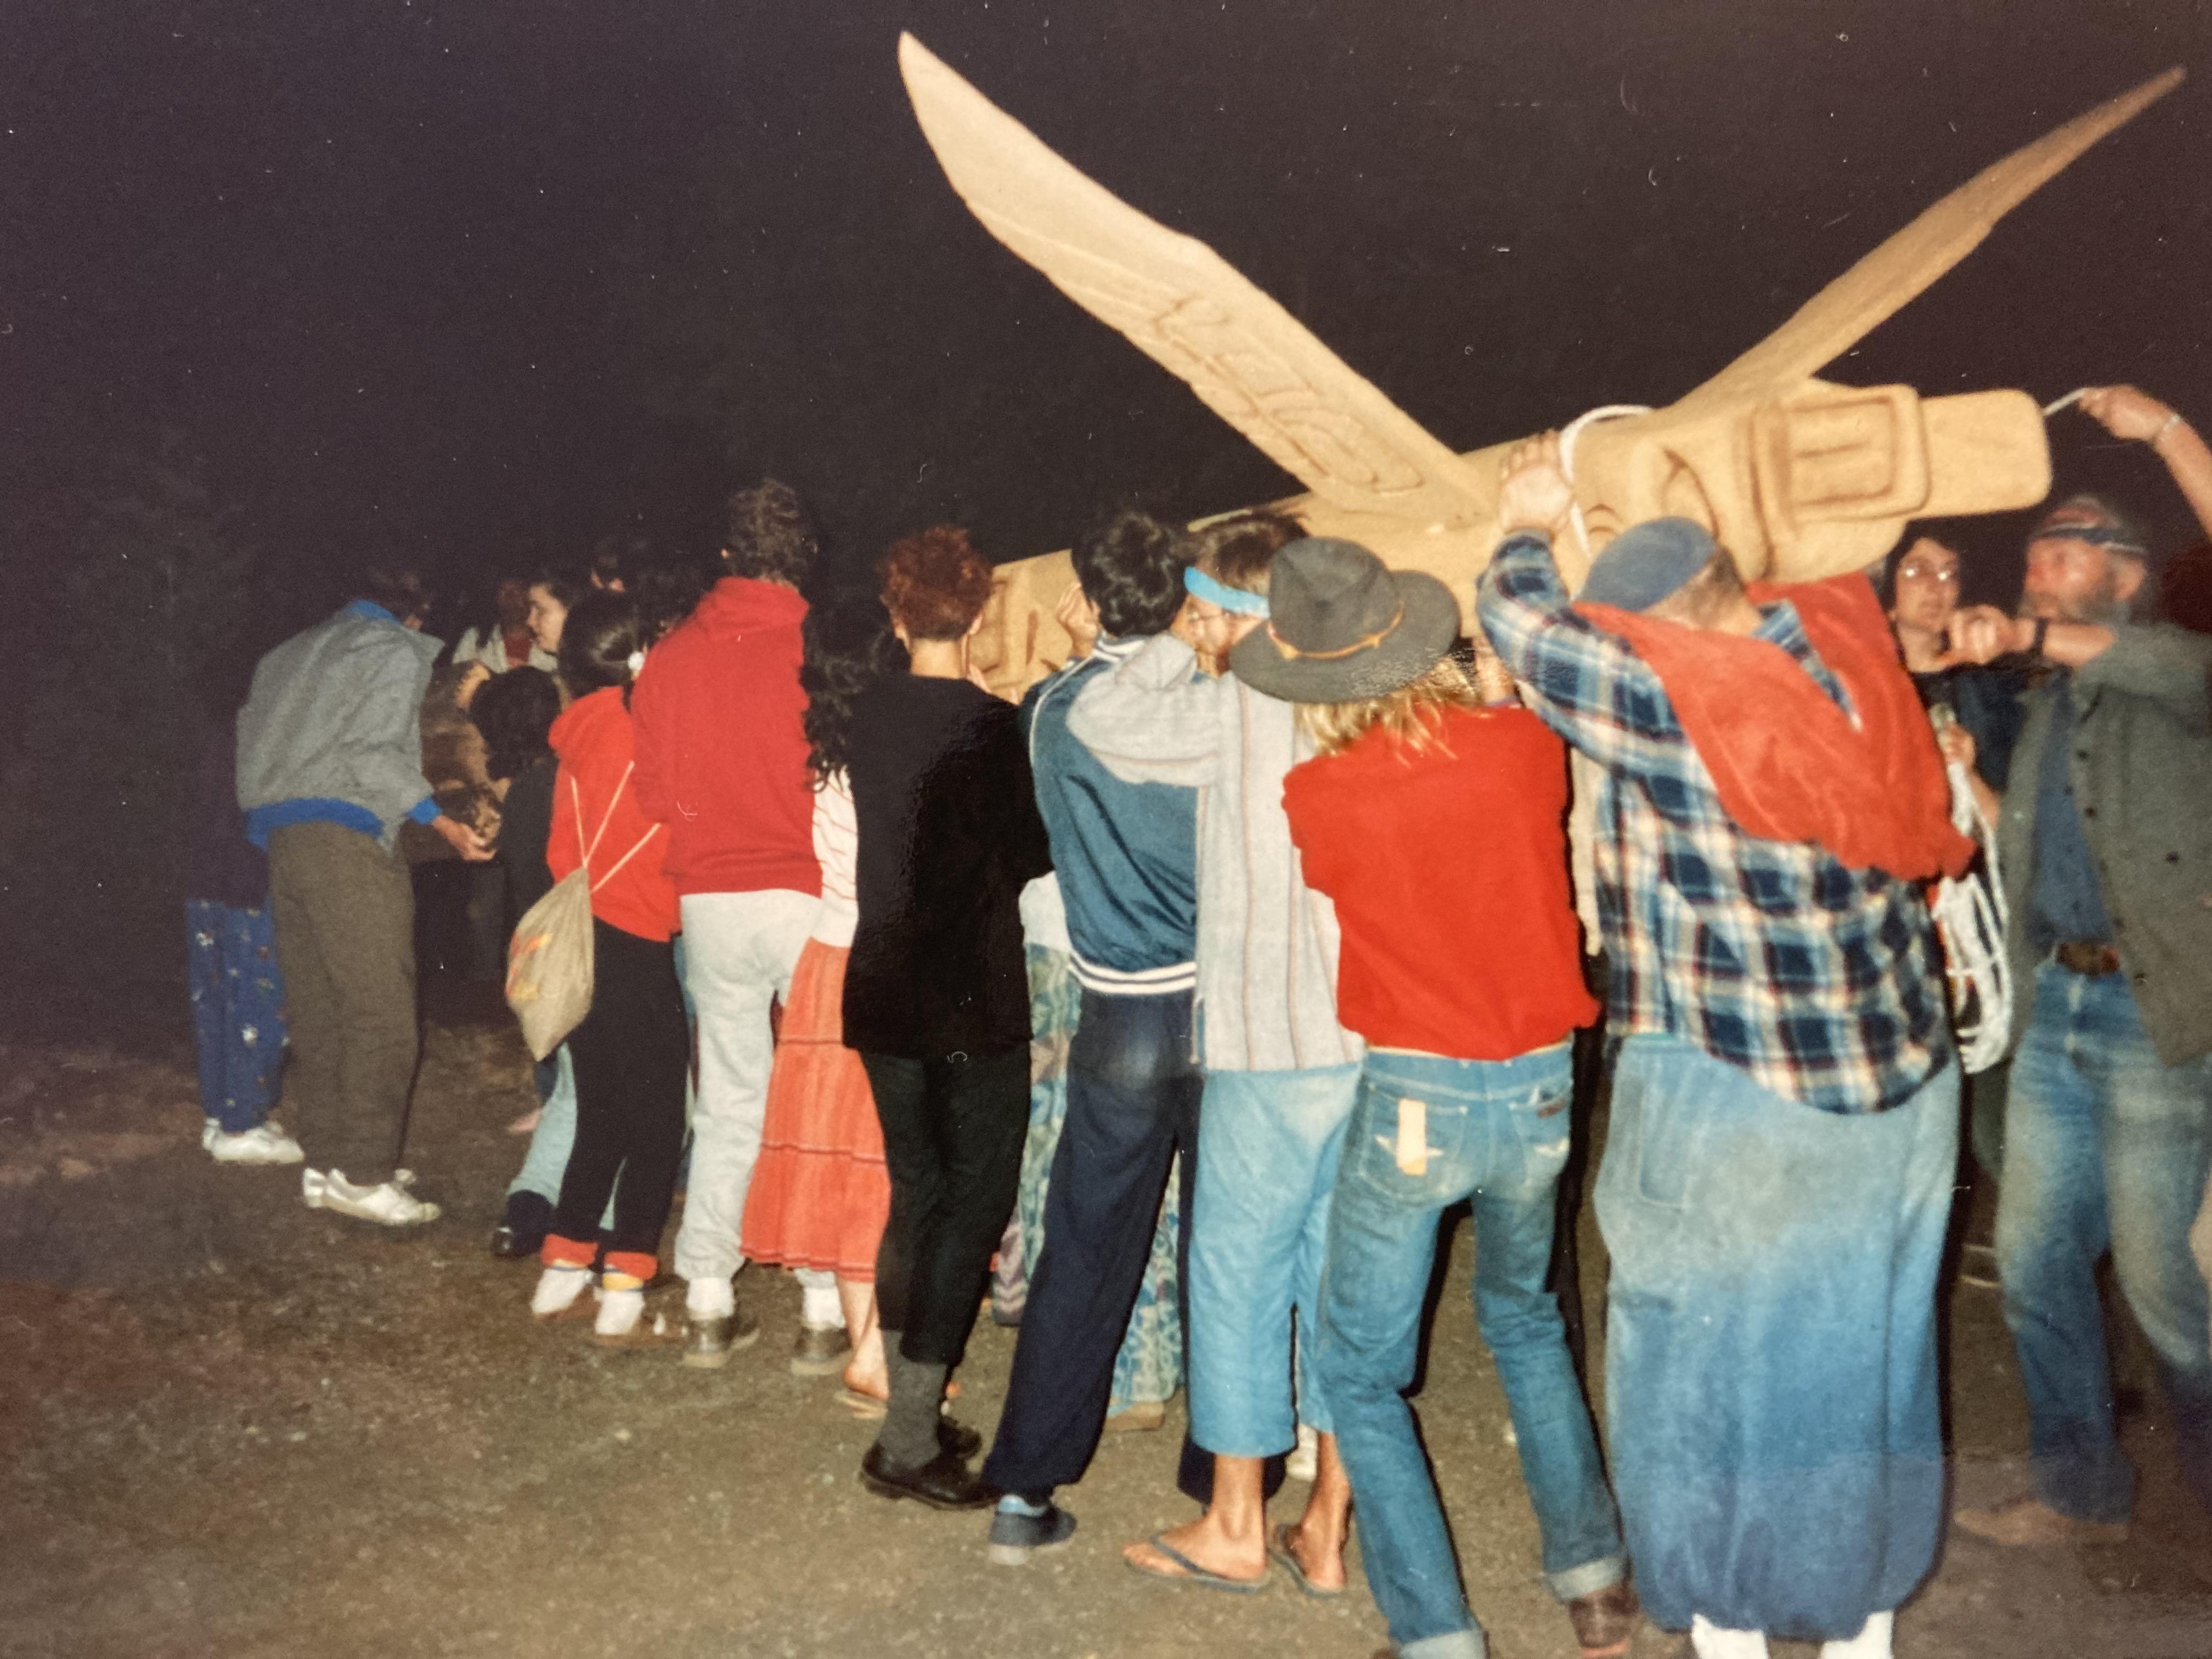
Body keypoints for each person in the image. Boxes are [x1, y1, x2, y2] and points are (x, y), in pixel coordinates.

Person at [1477, 435, 1972, 1659]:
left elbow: (1518, 623)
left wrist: (1527, 523)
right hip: (1906, 1081)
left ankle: (1725, 1621)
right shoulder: (1839, 643)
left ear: (1659, 645)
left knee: (1699, 1359)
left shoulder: (1684, 707)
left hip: (1752, 1085)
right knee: (1864, 1357)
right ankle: (1860, 1625)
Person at [1250, 536, 1635, 1659]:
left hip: (1418, 1092)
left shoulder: (1316, 792)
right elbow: (1500, 762)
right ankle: (1596, 1578)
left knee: (1357, 1369)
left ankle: (1436, 1635)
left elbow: (1353, 875)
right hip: (1542, 1091)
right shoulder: (1521, 748)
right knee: (1525, 1321)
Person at [1067, 511, 1365, 1592]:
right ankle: (1328, 1527)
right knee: (1342, 1283)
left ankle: (1237, 1525)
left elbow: (1102, 720)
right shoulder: (1363, 695)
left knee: (1237, 1277)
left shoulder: (1240, 704)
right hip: (1369, 1034)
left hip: (1270, 1038)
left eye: (1205, 601)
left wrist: (1168, 643)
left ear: (1237, 609)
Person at [1945, 382, 2212, 1542]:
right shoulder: (2051, 703)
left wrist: (2166, 434)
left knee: (2171, 1292)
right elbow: (2041, 844)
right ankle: (2080, 1490)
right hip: (2059, 1002)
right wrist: (1965, 774)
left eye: (2059, 552)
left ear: (2123, 569)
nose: (2033, 570)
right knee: (2038, 1256)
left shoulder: (2184, 668)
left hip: (2158, 1022)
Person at [981, 511, 1201, 1564]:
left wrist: (1084, 652)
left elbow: (1090, 737)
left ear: (1092, 593)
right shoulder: (1221, 701)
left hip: (1115, 1007)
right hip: (1220, 1005)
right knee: (1228, 1245)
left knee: (1083, 1244)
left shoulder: (1050, 708)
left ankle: (1023, 1487)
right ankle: (1221, 1473)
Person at [843, 526, 1052, 1510]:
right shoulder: (993, 724)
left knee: (915, 1190)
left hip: (884, 980)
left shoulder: (864, 712)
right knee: (973, 1199)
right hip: (969, 986)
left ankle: (909, 1413)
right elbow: (1028, 854)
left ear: (895, 615)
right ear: (978, 615)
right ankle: (907, 1439)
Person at [632, 482, 828, 1367]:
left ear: (726, 555)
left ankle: (709, 1287)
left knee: (731, 1095)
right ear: (804, 553)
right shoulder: (820, 645)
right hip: (810, 893)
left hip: (711, 899)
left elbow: (652, 794)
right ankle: (826, 1299)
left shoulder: (671, 655)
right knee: (821, 1089)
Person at [236, 563, 492, 1227]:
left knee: (320, 1008)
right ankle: (367, 1172)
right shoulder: (390, 648)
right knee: (380, 1010)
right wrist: (443, 821)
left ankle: (328, 1163)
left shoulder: (286, 654)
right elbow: (375, 754)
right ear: (419, 609)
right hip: (345, 838)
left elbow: (253, 750)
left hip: (282, 839)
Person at [738, 591, 905, 1402]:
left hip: (829, 963)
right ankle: (875, 1355)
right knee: (883, 1166)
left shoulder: (830, 749)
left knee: (845, 1167)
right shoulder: (897, 752)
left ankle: (867, 1348)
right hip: (885, 961)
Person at [525, 592, 687, 1346]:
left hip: (579, 945)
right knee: (659, 1120)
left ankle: (564, 1260)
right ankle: (626, 1273)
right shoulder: (648, 726)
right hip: (636, 940)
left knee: (600, 1112)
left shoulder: (578, 733)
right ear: (641, 658)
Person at [467, 665, 578, 1259]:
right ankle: (594, 1229)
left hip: (537, 943)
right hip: (579, 943)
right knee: (597, 1089)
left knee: (570, 1082)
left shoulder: (516, 789)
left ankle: (528, 1206)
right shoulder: (557, 783)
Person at [186, 662, 296, 1166]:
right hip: (246, 882)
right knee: (258, 1001)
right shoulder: (257, 734)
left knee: (219, 1000)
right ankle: (242, 1124)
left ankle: (223, 1113)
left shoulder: (216, 736)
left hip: (206, 880)